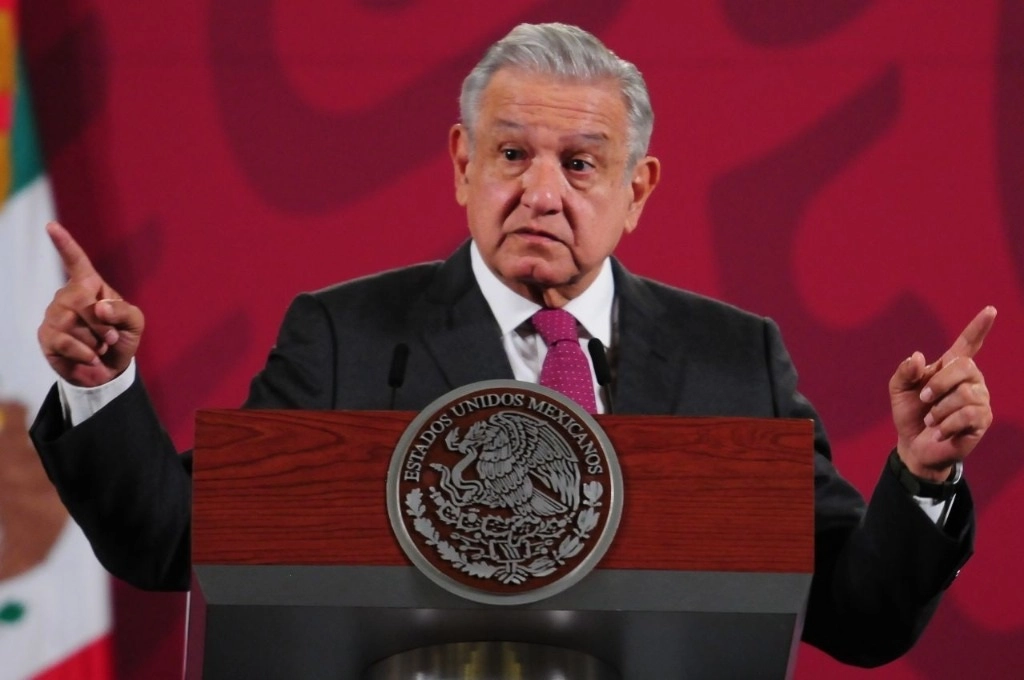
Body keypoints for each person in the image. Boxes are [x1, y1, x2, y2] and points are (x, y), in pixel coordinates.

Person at [31, 23, 993, 668]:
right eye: (511, 154)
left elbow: (857, 620)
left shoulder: (731, 357)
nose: (542, 191)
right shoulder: (346, 336)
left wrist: (920, 476)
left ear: (638, 190)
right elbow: (175, 542)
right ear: (461, 164)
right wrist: (102, 389)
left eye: (580, 164)